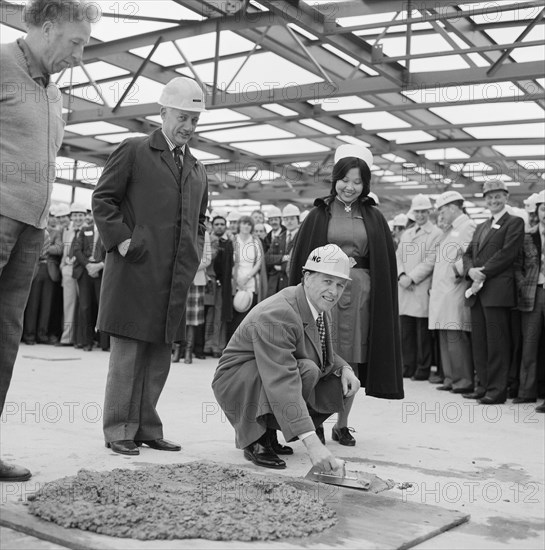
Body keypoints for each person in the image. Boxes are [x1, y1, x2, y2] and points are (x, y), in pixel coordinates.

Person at [0, 0, 93, 481]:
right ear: (48, 28)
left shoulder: (54, 95)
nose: (78, 55)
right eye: (75, 43)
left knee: (4, 344)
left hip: (31, 229)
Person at [92, 76, 208, 456]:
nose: (189, 126)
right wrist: (124, 241)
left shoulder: (197, 169)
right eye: (183, 117)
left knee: (159, 353)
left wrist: (193, 251)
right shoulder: (134, 150)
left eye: (195, 119)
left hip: (174, 273)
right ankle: (118, 429)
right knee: (128, 352)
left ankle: (146, 426)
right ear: (163, 113)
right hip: (135, 266)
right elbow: (103, 199)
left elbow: (201, 220)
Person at [289, 144, 403, 447]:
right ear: (335, 178)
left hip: (361, 295)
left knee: (352, 358)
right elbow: (302, 259)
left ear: (365, 185)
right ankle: (315, 420)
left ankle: (343, 423)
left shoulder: (374, 217)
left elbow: (384, 260)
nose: (350, 187)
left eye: (358, 182)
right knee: (319, 354)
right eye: (345, 180)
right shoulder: (318, 213)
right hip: (324, 294)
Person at [213, 245, 360, 471]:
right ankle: (256, 439)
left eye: (340, 284)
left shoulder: (317, 304)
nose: (334, 291)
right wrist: (312, 444)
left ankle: (269, 431)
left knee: (313, 370)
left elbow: (318, 349)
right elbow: (281, 377)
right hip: (239, 378)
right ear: (307, 277)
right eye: (327, 281)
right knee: (304, 370)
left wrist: (345, 369)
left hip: (269, 371)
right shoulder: (279, 313)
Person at [462, 180, 525, 405]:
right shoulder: (481, 226)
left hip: (497, 291)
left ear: (506, 197)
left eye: (498, 196)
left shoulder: (514, 223)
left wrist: (483, 273)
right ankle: (483, 386)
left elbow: (507, 254)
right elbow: (467, 253)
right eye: (489, 197)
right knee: (480, 342)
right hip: (478, 292)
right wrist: (470, 270)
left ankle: (497, 390)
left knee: (497, 342)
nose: (493, 200)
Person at [428, 191, 476, 393]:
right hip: (442, 290)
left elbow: (470, 255)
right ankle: (450, 377)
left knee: (455, 334)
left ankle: (463, 380)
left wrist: (456, 271)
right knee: (445, 334)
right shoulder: (449, 230)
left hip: (454, 288)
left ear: (454, 207)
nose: (441, 214)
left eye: (442, 210)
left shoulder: (467, 226)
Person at [397, 194, 443, 381]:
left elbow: (430, 261)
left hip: (420, 286)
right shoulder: (407, 233)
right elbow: (397, 256)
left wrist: (411, 278)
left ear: (429, 212)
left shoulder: (436, 233)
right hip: (404, 286)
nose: (421, 215)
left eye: (424, 211)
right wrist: (401, 275)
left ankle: (423, 368)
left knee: (422, 333)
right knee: (406, 332)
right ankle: (408, 366)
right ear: (413, 212)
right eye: (417, 211)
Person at [514, 190, 545, 412]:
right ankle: (527, 391)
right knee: (530, 343)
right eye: (543, 208)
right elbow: (517, 265)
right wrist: (524, 284)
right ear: (538, 211)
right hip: (532, 293)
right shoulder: (528, 236)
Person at [228, 215, 267, 338]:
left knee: (250, 316)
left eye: (249, 224)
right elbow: (229, 262)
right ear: (239, 225)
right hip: (235, 282)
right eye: (244, 223)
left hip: (251, 282)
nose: (246, 226)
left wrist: (247, 277)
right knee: (235, 316)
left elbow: (259, 262)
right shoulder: (233, 240)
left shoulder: (256, 241)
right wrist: (238, 280)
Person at [203, 216, 233, 358]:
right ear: (213, 226)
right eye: (217, 224)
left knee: (219, 316)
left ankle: (218, 346)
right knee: (208, 315)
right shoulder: (207, 241)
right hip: (208, 283)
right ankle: (207, 345)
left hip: (222, 285)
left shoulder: (228, 243)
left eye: (222, 224)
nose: (219, 226)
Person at [265, 204, 299, 298]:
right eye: (286, 219)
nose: (289, 221)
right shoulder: (278, 238)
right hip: (276, 284)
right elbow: (267, 258)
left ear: (298, 220)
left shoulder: (302, 238)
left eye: (292, 218)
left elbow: (299, 260)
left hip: (291, 282)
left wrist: (281, 267)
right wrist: (283, 258)